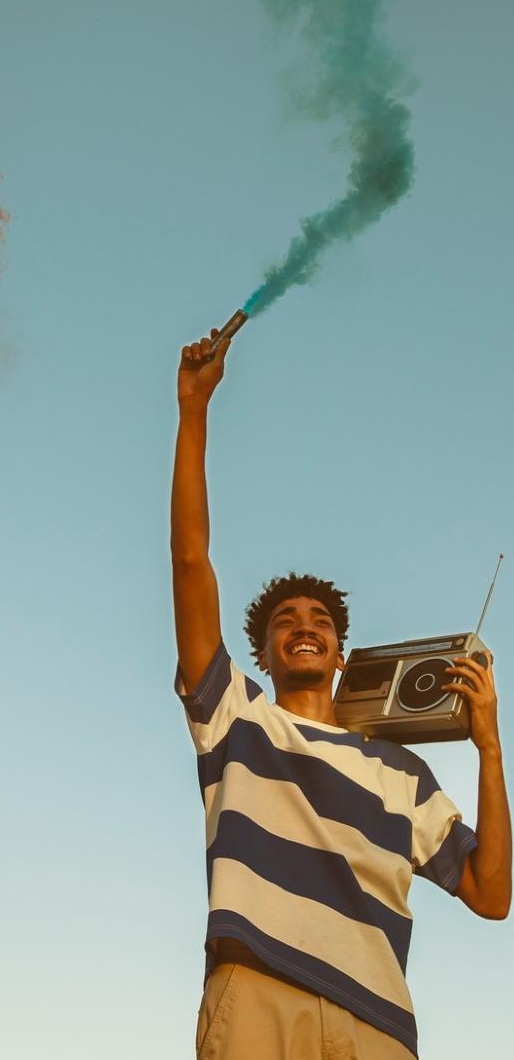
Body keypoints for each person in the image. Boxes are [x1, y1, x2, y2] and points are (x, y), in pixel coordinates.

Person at [170, 329, 511, 1059]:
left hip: (379, 1019)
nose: (304, 627)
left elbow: (492, 895)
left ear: (339, 654)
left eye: (319, 621)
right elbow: (191, 560)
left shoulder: (402, 773)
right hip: (260, 988)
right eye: (284, 623)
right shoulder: (237, 717)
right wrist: (193, 413)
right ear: (261, 652)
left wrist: (488, 745)